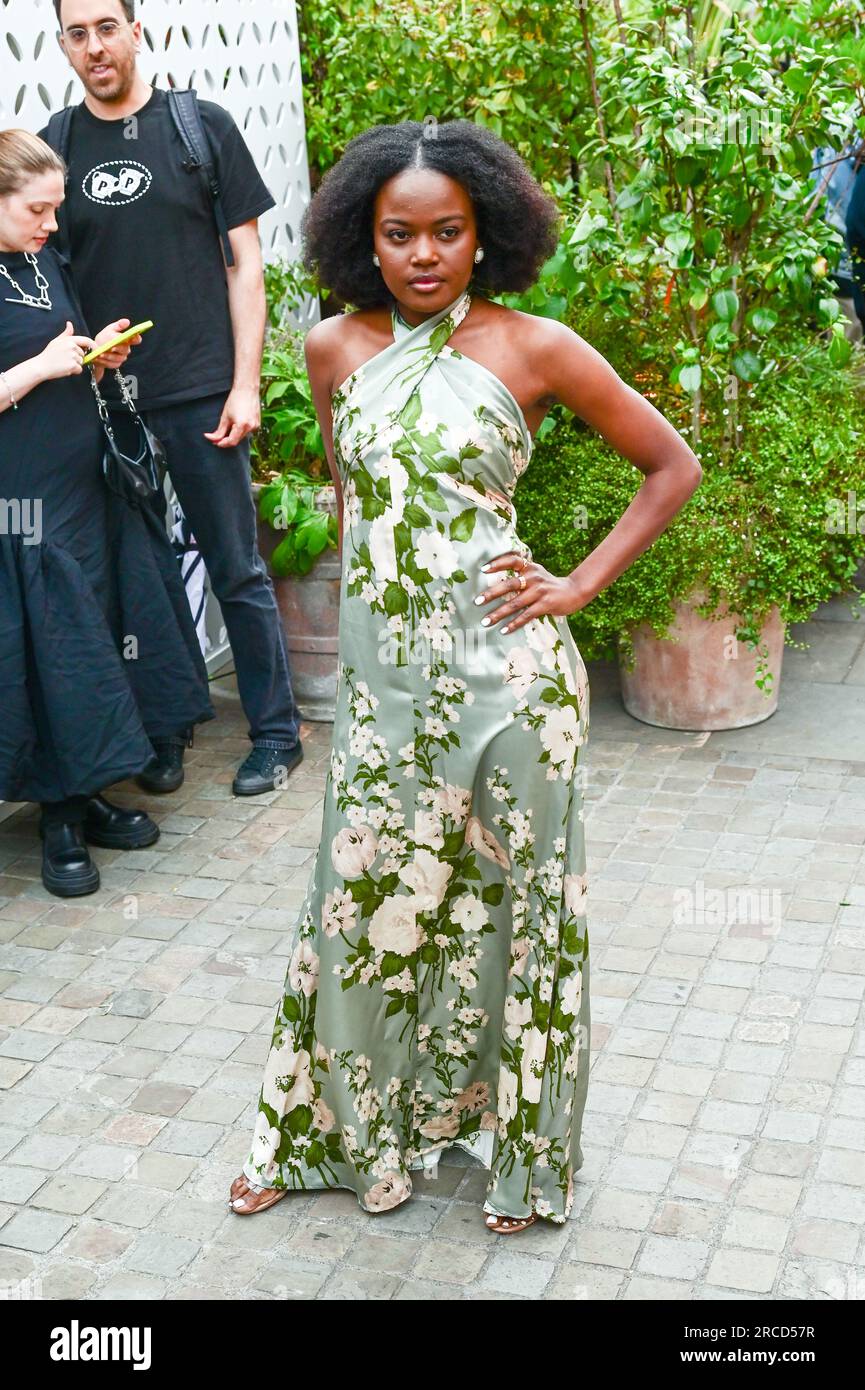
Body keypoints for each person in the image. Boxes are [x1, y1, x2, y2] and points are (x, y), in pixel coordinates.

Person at [228, 120, 702, 1234]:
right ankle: (324, 1142)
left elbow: (670, 465)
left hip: (512, 692)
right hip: (388, 693)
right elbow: (358, 507)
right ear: (365, 238)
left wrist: (575, 587)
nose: (425, 255)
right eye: (400, 235)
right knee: (361, 910)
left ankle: (521, 1163)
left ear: (486, 234)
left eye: (448, 232)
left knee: (518, 915)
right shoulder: (337, 349)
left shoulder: (535, 346)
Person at [39, 0, 304, 797]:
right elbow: (50, 275)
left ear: (136, 31)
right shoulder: (56, 143)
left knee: (236, 567)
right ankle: (169, 728)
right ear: (62, 45)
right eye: (77, 34)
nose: (94, 47)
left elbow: (245, 267)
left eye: (106, 28)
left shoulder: (201, 128)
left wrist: (246, 383)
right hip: (108, 402)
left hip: (201, 392)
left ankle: (276, 733)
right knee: (141, 577)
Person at [0, 129, 214, 897]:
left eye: (56, 208)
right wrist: (38, 367)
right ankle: (57, 819)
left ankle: (85, 793)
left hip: (82, 482)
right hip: (16, 505)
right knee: (46, 649)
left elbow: (60, 347)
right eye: (37, 209)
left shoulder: (39, 260)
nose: (53, 223)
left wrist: (95, 354)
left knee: (89, 635)